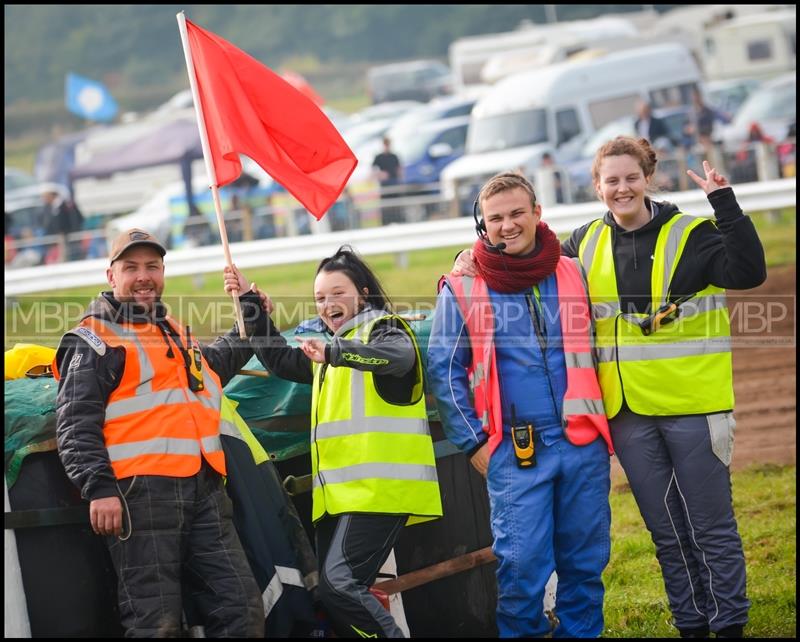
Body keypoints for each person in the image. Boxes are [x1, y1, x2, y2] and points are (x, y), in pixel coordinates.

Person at [454, 138, 766, 638]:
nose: (622, 188)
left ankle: (728, 623)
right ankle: (691, 624)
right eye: (611, 180)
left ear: (648, 177)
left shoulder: (692, 234)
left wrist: (724, 205)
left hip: (694, 405)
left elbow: (750, 272)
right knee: (666, 533)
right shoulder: (582, 244)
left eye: (630, 177)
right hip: (626, 414)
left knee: (711, 528)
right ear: (597, 187)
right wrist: (469, 260)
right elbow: (519, 249)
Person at [52, 227, 267, 637]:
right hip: (139, 496)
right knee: (157, 626)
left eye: (152, 266)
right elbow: (75, 421)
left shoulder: (171, 326)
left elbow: (211, 369)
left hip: (204, 490)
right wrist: (98, 488)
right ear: (111, 276)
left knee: (241, 609)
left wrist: (253, 318)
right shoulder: (93, 337)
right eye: (131, 267)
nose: (143, 276)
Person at [427, 172, 614, 637]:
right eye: (496, 218)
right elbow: (442, 368)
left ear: (537, 213)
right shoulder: (463, 285)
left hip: (581, 442)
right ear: (481, 226)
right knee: (523, 568)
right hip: (515, 450)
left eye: (516, 213)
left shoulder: (573, 269)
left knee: (585, 561)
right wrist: (473, 443)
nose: (508, 225)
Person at [240, 245, 442, 638]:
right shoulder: (329, 350)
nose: (327, 304)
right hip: (342, 499)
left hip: (380, 493)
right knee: (334, 596)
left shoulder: (383, 329)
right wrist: (252, 308)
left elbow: (397, 359)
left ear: (362, 293)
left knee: (339, 587)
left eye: (337, 293)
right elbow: (280, 360)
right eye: (319, 297)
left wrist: (335, 351)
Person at [42, 185, 84, 262]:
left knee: (70, 254)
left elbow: (74, 219)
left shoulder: (64, 205)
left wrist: (67, 231)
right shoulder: (52, 207)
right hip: (60, 236)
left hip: (67, 235)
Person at [372, 136, 404, 225]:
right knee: (386, 205)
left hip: (394, 184)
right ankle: (386, 222)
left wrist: (400, 179)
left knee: (396, 205)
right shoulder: (379, 157)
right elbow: (373, 169)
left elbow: (399, 169)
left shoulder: (394, 156)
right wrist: (380, 175)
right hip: (385, 185)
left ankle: (398, 220)